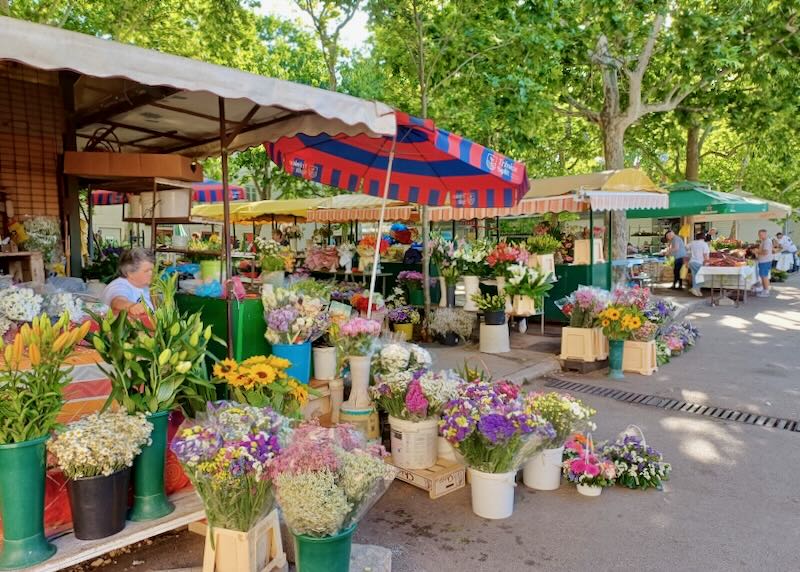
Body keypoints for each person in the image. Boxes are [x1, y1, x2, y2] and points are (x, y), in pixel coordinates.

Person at [102, 248, 155, 317]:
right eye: (147, 271)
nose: (151, 273)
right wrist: (131, 306)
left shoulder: (142, 285)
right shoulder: (119, 286)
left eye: (152, 270)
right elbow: (117, 302)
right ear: (130, 273)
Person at [687, 231, 710, 297]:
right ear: (703, 237)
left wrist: (690, 253)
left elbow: (685, 247)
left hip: (692, 262)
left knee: (695, 276)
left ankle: (697, 290)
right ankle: (695, 289)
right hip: (699, 262)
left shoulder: (692, 242)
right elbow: (705, 255)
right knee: (700, 277)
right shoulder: (704, 244)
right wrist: (707, 262)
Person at [755, 229, 773, 297]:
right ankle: (764, 289)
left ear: (765, 234)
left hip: (765, 261)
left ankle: (766, 291)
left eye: (761, 234)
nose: (760, 236)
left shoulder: (767, 241)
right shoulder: (764, 241)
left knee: (764, 276)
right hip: (764, 261)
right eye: (759, 234)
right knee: (764, 276)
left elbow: (765, 252)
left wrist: (756, 251)